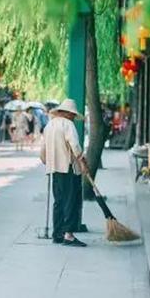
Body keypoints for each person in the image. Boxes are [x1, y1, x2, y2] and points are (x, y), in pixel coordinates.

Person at [40, 98, 88, 247]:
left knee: (59, 201)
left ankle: (57, 233)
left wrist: (47, 161)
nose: (74, 117)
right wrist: (82, 160)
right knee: (70, 201)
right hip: (68, 168)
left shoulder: (49, 125)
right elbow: (74, 144)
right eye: (73, 115)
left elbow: (43, 151)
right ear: (68, 113)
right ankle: (68, 235)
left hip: (54, 168)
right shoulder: (68, 124)